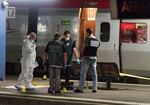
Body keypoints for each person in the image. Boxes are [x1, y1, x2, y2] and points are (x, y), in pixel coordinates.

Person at [74, 28, 100, 93]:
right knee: (94, 73)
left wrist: (82, 54)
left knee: (83, 73)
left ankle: (80, 88)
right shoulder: (96, 40)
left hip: (87, 57)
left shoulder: (87, 39)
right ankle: (95, 88)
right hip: (94, 58)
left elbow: (82, 48)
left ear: (87, 33)